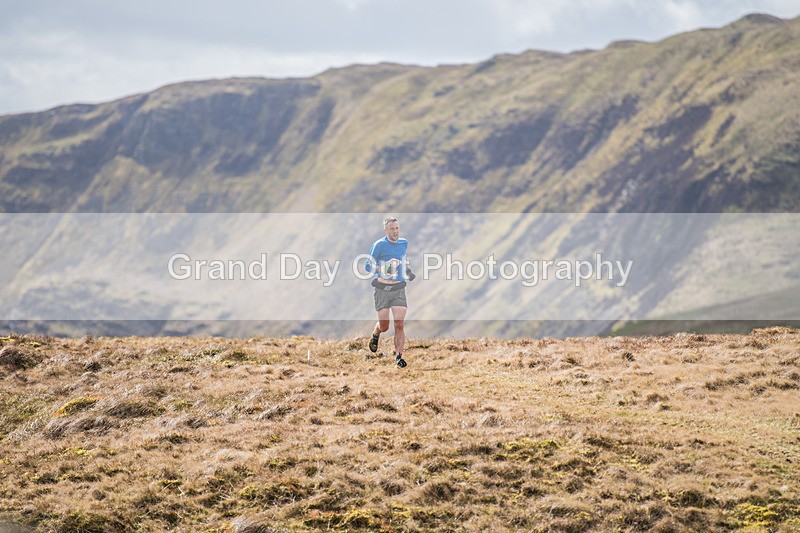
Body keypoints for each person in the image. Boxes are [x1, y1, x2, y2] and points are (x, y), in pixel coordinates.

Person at [365, 216, 415, 367]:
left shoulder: (403, 243)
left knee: (399, 324)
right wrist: (384, 268)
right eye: (392, 229)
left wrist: (407, 272)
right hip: (382, 289)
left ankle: (399, 357)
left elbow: (402, 259)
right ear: (385, 230)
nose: (395, 232)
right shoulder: (379, 245)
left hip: (399, 288)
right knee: (385, 326)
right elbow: (368, 266)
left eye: (397, 228)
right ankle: (376, 333)